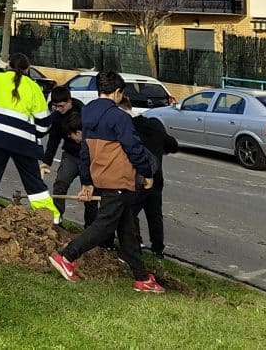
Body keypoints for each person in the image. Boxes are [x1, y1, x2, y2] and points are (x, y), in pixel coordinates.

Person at [50, 71, 163, 292]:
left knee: (126, 227)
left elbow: (84, 150)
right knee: (104, 225)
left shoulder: (88, 112)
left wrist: (87, 180)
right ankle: (66, 256)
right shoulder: (120, 117)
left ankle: (142, 278)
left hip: (99, 175)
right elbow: (134, 149)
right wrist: (147, 173)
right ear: (118, 92)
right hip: (118, 178)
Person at [0, 54, 60, 221]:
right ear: (28, 69)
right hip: (23, 141)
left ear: (8, 66)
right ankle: (50, 218)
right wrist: (33, 133)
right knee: (33, 182)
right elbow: (44, 122)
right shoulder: (33, 87)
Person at [121, 91, 179, 257]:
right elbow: (172, 145)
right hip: (156, 177)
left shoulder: (126, 129)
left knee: (128, 212)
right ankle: (158, 249)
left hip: (136, 179)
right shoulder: (153, 125)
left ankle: (135, 243)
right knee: (154, 215)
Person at [41, 86, 92, 225]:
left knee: (88, 193)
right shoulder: (57, 117)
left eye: (61, 106)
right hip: (71, 155)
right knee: (60, 184)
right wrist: (47, 161)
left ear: (69, 101)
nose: (58, 109)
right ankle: (57, 220)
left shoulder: (84, 112)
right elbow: (53, 139)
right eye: (55, 106)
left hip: (89, 158)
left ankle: (90, 228)